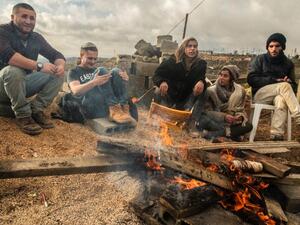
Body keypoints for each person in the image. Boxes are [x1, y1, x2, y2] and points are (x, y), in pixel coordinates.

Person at [0, 3, 65, 135]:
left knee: (58, 73)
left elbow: (56, 55)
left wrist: (60, 66)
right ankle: (23, 115)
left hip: (22, 85)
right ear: (13, 17)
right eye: (24, 17)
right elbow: (9, 56)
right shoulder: (2, 31)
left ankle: (36, 110)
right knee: (13, 70)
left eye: (32, 18)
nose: (28, 21)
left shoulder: (36, 38)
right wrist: (39, 66)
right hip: (2, 85)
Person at [67, 42, 137, 125]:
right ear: (81, 56)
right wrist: (93, 82)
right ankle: (115, 110)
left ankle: (123, 109)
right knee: (102, 70)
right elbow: (75, 90)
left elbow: (111, 89)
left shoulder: (95, 70)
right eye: (89, 58)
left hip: (103, 105)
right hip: (88, 106)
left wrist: (124, 80)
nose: (93, 61)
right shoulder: (74, 71)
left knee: (116, 71)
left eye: (95, 59)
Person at [247, 33, 300, 141]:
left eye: (277, 46)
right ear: (267, 47)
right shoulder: (260, 59)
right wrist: (275, 81)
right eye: (271, 46)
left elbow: (293, 87)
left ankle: (276, 135)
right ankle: (299, 118)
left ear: (282, 47)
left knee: (281, 100)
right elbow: (251, 79)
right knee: (284, 86)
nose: (274, 49)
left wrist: (289, 82)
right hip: (261, 95)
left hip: (278, 95)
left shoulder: (288, 64)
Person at [152, 37, 207, 136]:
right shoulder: (173, 61)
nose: (192, 49)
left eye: (195, 46)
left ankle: (192, 123)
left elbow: (201, 77)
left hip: (186, 100)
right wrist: (162, 82)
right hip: (170, 96)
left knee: (204, 92)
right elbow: (156, 75)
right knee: (157, 90)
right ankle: (156, 120)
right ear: (184, 48)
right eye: (189, 46)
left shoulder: (201, 64)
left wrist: (201, 82)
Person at [197, 65, 253, 141]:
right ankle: (229, 135)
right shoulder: (211, 91)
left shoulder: (240, 91)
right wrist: (224, 117)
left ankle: (212, 134)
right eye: (220, 75)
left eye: (225, 76)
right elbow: (206, 112)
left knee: (248, 126)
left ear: (232, 79)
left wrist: (239, 117)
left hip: (231, 124)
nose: (221, 78)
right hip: (215, 122)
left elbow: (241, 109)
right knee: (203, 120)